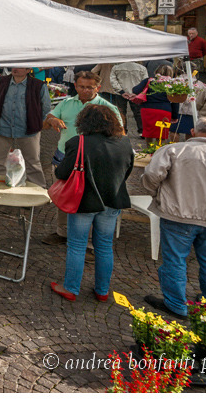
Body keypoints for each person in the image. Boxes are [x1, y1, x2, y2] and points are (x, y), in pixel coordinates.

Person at [140, 116, 206, 319]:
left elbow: (151, 176)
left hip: (178, 215)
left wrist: (157, 195)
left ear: (194, 132)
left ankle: (176, 304)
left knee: (175, 260)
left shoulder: (174, 150)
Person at [49, 105, 134, 302]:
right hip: (112, 200)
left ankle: (70, 288)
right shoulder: (124, 143)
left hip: (83, 201)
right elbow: (126, 172)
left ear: (84, 122)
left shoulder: (78, 142)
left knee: (77, 245)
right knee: (104, 246)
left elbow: (61, 173)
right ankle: (102, 290)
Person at [42, 71, 122, 244]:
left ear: (98, 87)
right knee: (63, 194)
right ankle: (62, 232)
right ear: (75, 86)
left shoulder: (107, 107)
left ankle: (89, 239)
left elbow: (120, 134)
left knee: (90, 199)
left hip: (93, 160)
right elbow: (48, 119)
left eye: (89, 87)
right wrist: (52, 120)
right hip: (65, 156)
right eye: (81, 87)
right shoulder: (67, 103)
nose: (85, 90)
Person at [0, 67, 52, 187]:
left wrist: (36, 122)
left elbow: (46, 107)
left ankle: (37, 190)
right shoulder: (1, 82)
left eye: (19, 66)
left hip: (28, 129)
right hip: (3, 127)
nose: (15, 68)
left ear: (28, 70)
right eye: (14, 65)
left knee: (33, 162)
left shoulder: (38, 85)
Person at [126, 64, 179, 140]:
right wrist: (175, 116)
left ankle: (149, 150)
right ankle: (159, 150)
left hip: (148, 110)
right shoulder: (172, 84)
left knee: (148, 133)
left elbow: (135, 90)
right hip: (164, 110)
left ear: (157, 71)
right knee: (162, 134)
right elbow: (175, 101)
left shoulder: (149, 80)